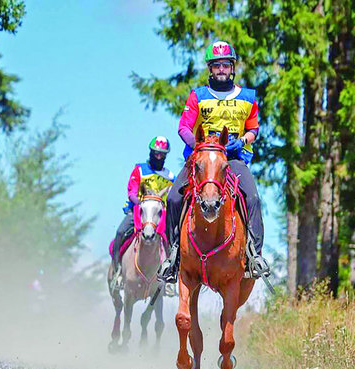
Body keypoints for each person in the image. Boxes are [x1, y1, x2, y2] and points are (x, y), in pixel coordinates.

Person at [158, 40, 270, 284]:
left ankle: (254, 255)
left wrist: (241, 141)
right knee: (174, 198)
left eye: (225, 65)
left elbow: (253, 129)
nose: (221, 70)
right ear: (210, 69)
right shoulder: (198, 95)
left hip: (232, 160)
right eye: (216, 65)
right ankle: (173, 255)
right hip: (202, 159)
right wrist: (199, 146)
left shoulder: (248, 97)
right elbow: (184, 127)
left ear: (232, 68)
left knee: (253, 198)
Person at [110, 137, 175, 288]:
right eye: (156, 153)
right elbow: (132, 191)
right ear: (151, 152)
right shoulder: (139, 169)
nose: (158, 157)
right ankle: (118, 270)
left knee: (173, 241)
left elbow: (173, 196)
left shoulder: (171, 176)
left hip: (160, 216)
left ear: (165, 156)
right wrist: (142, 204)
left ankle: (169, 279)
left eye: (162, 154)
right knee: (120, 233)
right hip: (139, 211)